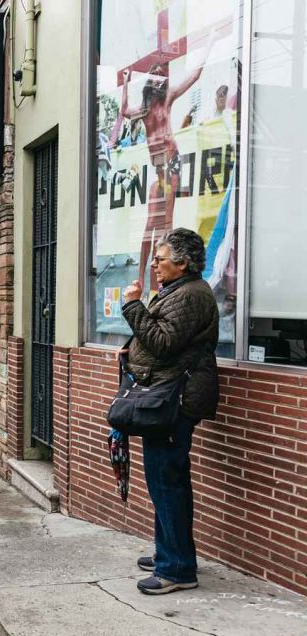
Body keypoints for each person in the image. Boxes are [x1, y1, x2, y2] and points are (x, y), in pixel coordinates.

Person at [120, 228, 219, 595]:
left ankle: (176, 569)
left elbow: (163, 343)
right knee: (167, 481)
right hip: (168, 398)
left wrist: (133, 306)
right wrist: (132, 350)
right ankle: (170, 553)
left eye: (159, 259)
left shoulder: (191, 295)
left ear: (183, 263)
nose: (154, 265)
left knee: (166, 482)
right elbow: (163, 340)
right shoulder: (180, 291)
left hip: (174, 403)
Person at [119, 27, 220, 290]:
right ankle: (144, 278)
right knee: (150, 225)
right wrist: (126, 82)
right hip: (159, 167)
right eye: (155, 76)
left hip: (172, 162)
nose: (159, 80)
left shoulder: (168, 98)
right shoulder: (144, 108)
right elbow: (124, 111)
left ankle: (164, 281)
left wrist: (209, 43)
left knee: (165, 222)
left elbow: (195, 75)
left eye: (161, 76)